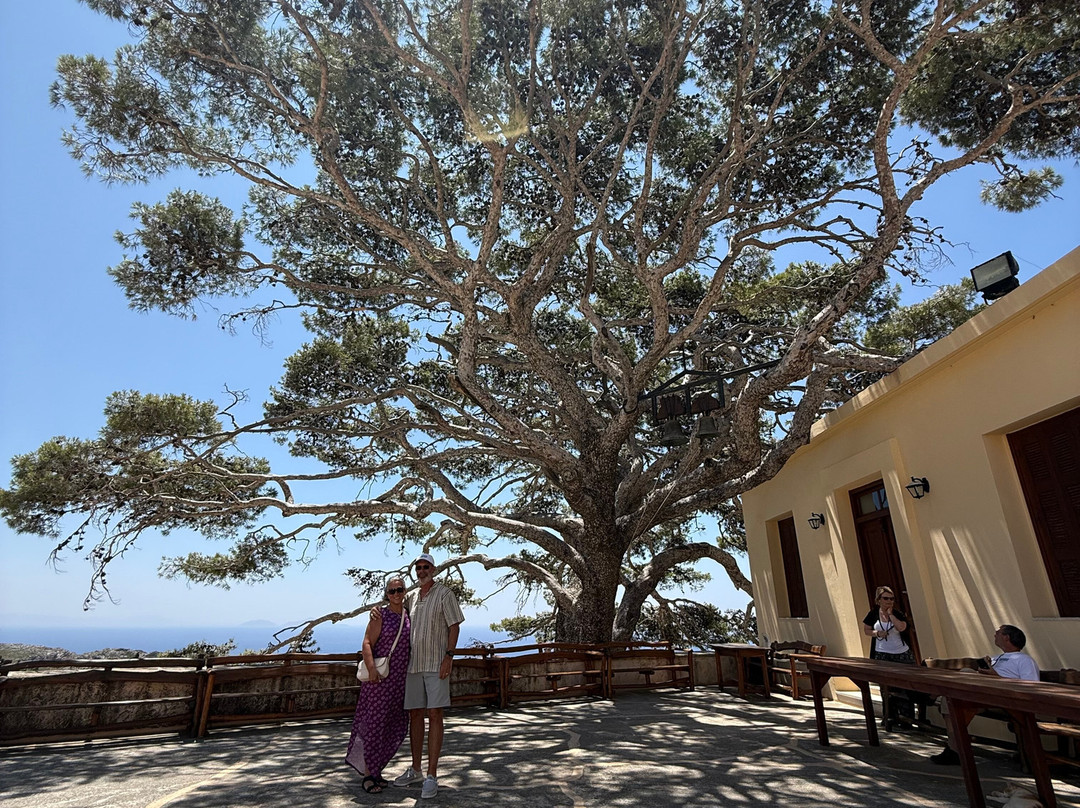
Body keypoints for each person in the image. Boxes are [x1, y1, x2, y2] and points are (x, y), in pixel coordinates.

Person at [383, 553, 464, 799]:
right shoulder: (411, 597)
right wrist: (377, 613)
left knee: (435, 714)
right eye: (418, 567)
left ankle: (431, 775)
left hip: (436, 663)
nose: (421, 571)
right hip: (413, 665)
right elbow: (394, 608)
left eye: (425, 567)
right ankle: (416, 769)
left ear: (433, 569)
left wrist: (449, 657)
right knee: (415, 715)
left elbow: (454, 626)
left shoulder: (445, 594)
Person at [929, 624, 1040, 765]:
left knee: (964, 675)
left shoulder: (1024, 660)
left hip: (1003, 698)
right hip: (982, 693)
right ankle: (954, 748)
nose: (995, 635)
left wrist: (997, 677)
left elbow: (1031, 686)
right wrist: (986, 670)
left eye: (998, 633)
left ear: (1007, 637)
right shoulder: (997, 658)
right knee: (951, 698)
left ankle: (954, 748)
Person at [345, 576, 411, 793]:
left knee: (394, 726)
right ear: (387, 594)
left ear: (405, 591)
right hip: (379, 681)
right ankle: (368, 775)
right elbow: (367, 642)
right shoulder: (380, 614)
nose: (396, 594)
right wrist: (372, 669)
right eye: (392, 591)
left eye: (399, 589)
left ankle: (376, 770)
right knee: (374, 726)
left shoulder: (407, 614)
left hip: (399, 682)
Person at [862, 586, 915, 664]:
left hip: (901, 652)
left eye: (892, 599)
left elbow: (901, 628)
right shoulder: (873, 614)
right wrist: (878, 633)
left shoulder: (898, 614)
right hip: (881, 653)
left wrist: (890, 614)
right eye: (886, 598)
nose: (889, 601)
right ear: (879, 600)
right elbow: (866, 630)